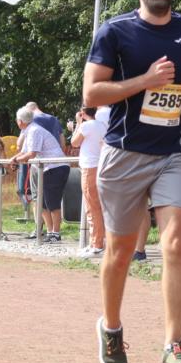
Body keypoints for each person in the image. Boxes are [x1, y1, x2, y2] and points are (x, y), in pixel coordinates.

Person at [83, 0, 181, 363]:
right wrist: (146, 81)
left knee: (176, 243)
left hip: (174, 151)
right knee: (119, 253)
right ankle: (111, 328)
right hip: (125, 154)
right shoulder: (115, 31)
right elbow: (91, 94)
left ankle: (174, 346)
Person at [9, 106, 69, 243]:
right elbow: (24, 151)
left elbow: (31, 153)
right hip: (47, 168)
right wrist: (13, 159)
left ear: (20, 121)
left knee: (52, 202)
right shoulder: (29, 130)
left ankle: (56, 233)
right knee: (42, 202)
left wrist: (16, 160)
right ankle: (50, 232)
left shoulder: (34, 130)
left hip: (55, 167)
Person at [71, 107, 106, 257]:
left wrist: (78, 124)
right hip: (101, 166)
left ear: (83, 113)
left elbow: (74, 142)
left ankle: (97, 245)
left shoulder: (86, 126)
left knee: (91, 207)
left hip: (89, 167)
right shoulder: (102, 125)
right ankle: (96, 242)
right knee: (99, 206)